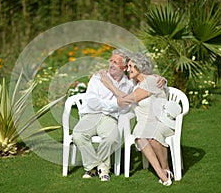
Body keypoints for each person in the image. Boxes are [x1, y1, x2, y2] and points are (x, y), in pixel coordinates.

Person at [72, 49, 166, 182]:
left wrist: (161, 78)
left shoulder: (129, 84)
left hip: (110, 117)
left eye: (115, 62)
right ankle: (94, 167)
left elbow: (145, 82)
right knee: (78, 135)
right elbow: (93, 103)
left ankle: (102, 169)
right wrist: (115, 103)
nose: (110, 64)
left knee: (111, 138)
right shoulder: (98, 77)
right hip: (91, 115)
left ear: (124, 67)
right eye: (110, 60)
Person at [99, 52, 175, 186]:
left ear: (140, 67)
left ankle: (166, 168)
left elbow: (128, 99)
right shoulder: (136, 83)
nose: (128, 69)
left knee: (152, 136)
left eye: (131, 66)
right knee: (139, 137)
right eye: (128, 66)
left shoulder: (151, 81)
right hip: (145, 122)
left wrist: (109, 85)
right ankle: (160, 172)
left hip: (161, 121)